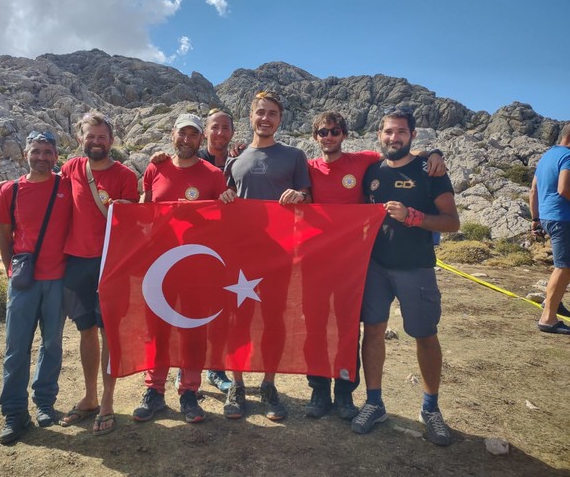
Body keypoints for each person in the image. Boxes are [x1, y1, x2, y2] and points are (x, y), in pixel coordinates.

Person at [305, 111, 446, 420]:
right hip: (337, 262)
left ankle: (348, 394)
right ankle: (328, 392)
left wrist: (434, 153)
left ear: (344, 134)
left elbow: (402, 154)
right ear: (316, 137)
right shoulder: (308, 167)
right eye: (323, 132)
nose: (329, 136)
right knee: (326, 327)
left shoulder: (363, 162)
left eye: (335, 131)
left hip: (365, 262)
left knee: (355, 328)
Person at [353, 106, 460, 446]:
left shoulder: (430, 170)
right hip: (375, 268)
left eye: (400, 132)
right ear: (379, 135)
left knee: (425, 335)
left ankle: (430, 408)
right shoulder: (372, 171)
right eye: (387, 132)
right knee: (372, 332)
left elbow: (452, 222)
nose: (393, 137)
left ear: (412, 135)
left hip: (417, 267)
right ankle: (374, 402)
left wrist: (413, 217)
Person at [220, 90, 311, 420]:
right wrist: (226, 194)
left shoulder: (294, 156)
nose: (266, 118)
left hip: (279, 255)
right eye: (261, 112)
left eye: (272, 113)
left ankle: (269, 384)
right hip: (241, 256)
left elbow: (307, 194)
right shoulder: (235, 161)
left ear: (279, 119)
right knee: (238, 321)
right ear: (251, 116)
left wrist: (299, 194)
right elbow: (223, 198)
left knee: (274, 321)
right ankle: (237, 384)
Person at [132, 113, 228, 423]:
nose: (186, 139)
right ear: (172, 134)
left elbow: (223, 221)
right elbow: (145, 210)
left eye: (193, 135)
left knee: (193, 331)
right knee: (156, 330)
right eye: (181, 133)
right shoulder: (154, 168)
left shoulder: (213, 175)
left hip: (196, 267)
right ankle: (154, 392)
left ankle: (189, 392)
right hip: (158, 266)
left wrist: (228, 202)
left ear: (201, 140)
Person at [57, 111, 140, 435]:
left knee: (109, 333)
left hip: (111, 264)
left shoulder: (124, 175)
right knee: (86, 331)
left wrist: (127, 208)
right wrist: (6, 189)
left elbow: (134, 221)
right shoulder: (70, 169)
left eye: (101, 137)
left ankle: (107, 400)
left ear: (112, 141)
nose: (95, 142)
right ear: (81, 139)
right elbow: (45, 190)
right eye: (90, 137)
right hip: (76, 262)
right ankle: (89, 396)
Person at [0, 131, 72, 444]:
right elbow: (3, 236)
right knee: (16, 348)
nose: (41, 157)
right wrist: (10, 271)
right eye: (36, 151)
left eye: (48, 152)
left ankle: (44, 404)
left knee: (52, 344)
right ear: (26, 153)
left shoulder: (66, 186)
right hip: (23, 281)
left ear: (56, 156)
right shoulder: (10, 191)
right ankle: (14, 413)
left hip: (58, 279)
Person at [529, 123, 570, 335]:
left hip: (548, 216)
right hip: (563, 218)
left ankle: (554, 303)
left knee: (564, 265)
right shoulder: (568, 157)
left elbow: (533, 190)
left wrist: (535, 219)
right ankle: (548, 318)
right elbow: (564, 188)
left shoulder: (547, 156)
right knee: (564, 266)